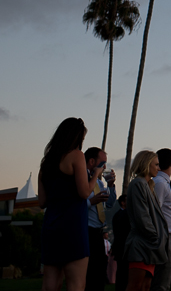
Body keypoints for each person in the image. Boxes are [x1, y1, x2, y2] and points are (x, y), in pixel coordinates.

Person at [38, 118, 101, 291]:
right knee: (76, 283)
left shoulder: (46, 162)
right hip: (72, 226)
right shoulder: (76, 155)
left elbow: (42, 202)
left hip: (51, 225)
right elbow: (83, 192)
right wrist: (95, 175)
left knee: (50, 283)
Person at [124, 150, 170, 291]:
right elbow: (142, 217)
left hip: (149, 246)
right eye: (156, 164)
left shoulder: (148, 185)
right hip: (143, 245)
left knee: (145, 286)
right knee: (136, 286)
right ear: (146, 164)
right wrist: (156, 237)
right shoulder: (139, 184)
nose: (158, 168)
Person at [84, 147, 118, 291]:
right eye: (102, 163)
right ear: (91, 161)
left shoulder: (98, 183)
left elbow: (109, 204)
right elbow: (73, 204)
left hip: (98, 232)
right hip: (86, 231)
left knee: (99, 274)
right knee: (89, 274)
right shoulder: (82, 179)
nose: (104, 167)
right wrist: (92, 201)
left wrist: (110, 186)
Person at [151, 148, 171, 291]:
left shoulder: (163, 182)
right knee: (162, 282)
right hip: (165, 237)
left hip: (169, 236)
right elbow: (155, 211)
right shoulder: (160, 183)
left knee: (165, 281)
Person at [112, 195, 131, 291]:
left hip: (120, 249)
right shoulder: (122, 215)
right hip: (123, 248)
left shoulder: (117, 215)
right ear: (123, 203)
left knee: (122, 274)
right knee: (123, 275)